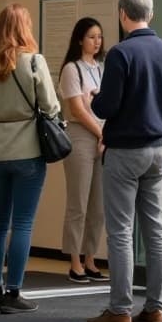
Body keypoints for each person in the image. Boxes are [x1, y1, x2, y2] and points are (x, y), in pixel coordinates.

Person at [86, 0, 162, 322]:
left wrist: (96, 99)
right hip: (158, 149)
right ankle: (155, 308)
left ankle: (120, 309)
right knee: (156, 229)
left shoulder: (121, 54)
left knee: (121, 231)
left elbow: (107, 106)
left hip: (125, 151)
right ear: (150, 15)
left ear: (123, 15)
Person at [0, 4, 59, 314]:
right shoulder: (34, 62)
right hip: (28, 151)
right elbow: (50, 107)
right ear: (25, 28)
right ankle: (14, 293)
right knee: (22, 224)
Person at [59, 16, 108, 283]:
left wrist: (105, 134)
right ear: (80, 39)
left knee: (98, 204)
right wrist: (102, 133)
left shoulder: (102, 68)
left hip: (102, 137)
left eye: (99, 36)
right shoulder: (71, 69)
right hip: (80, 136)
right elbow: (77, 109)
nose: (96, 41)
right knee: (78, 202)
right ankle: (74, 261)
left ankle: (91, 258)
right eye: (91, 36)